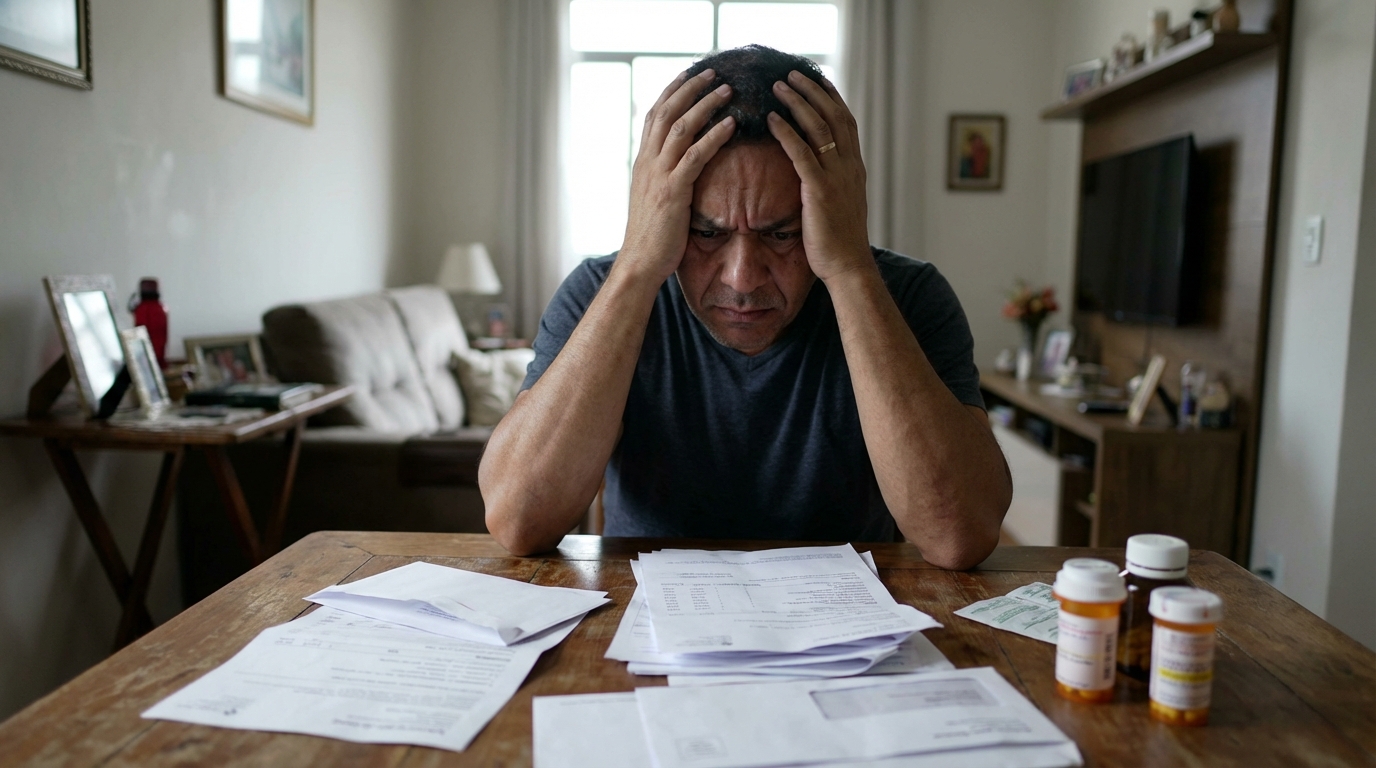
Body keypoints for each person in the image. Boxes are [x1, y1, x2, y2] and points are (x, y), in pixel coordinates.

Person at [480, 46, 1011, 569]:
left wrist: (850, 270)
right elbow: (519, 521)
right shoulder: (600, 291)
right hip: (646, 623)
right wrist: (638, 268)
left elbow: (958, 535)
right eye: (706, 233)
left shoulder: (909, 295)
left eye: (781, 234)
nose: (741, 278)